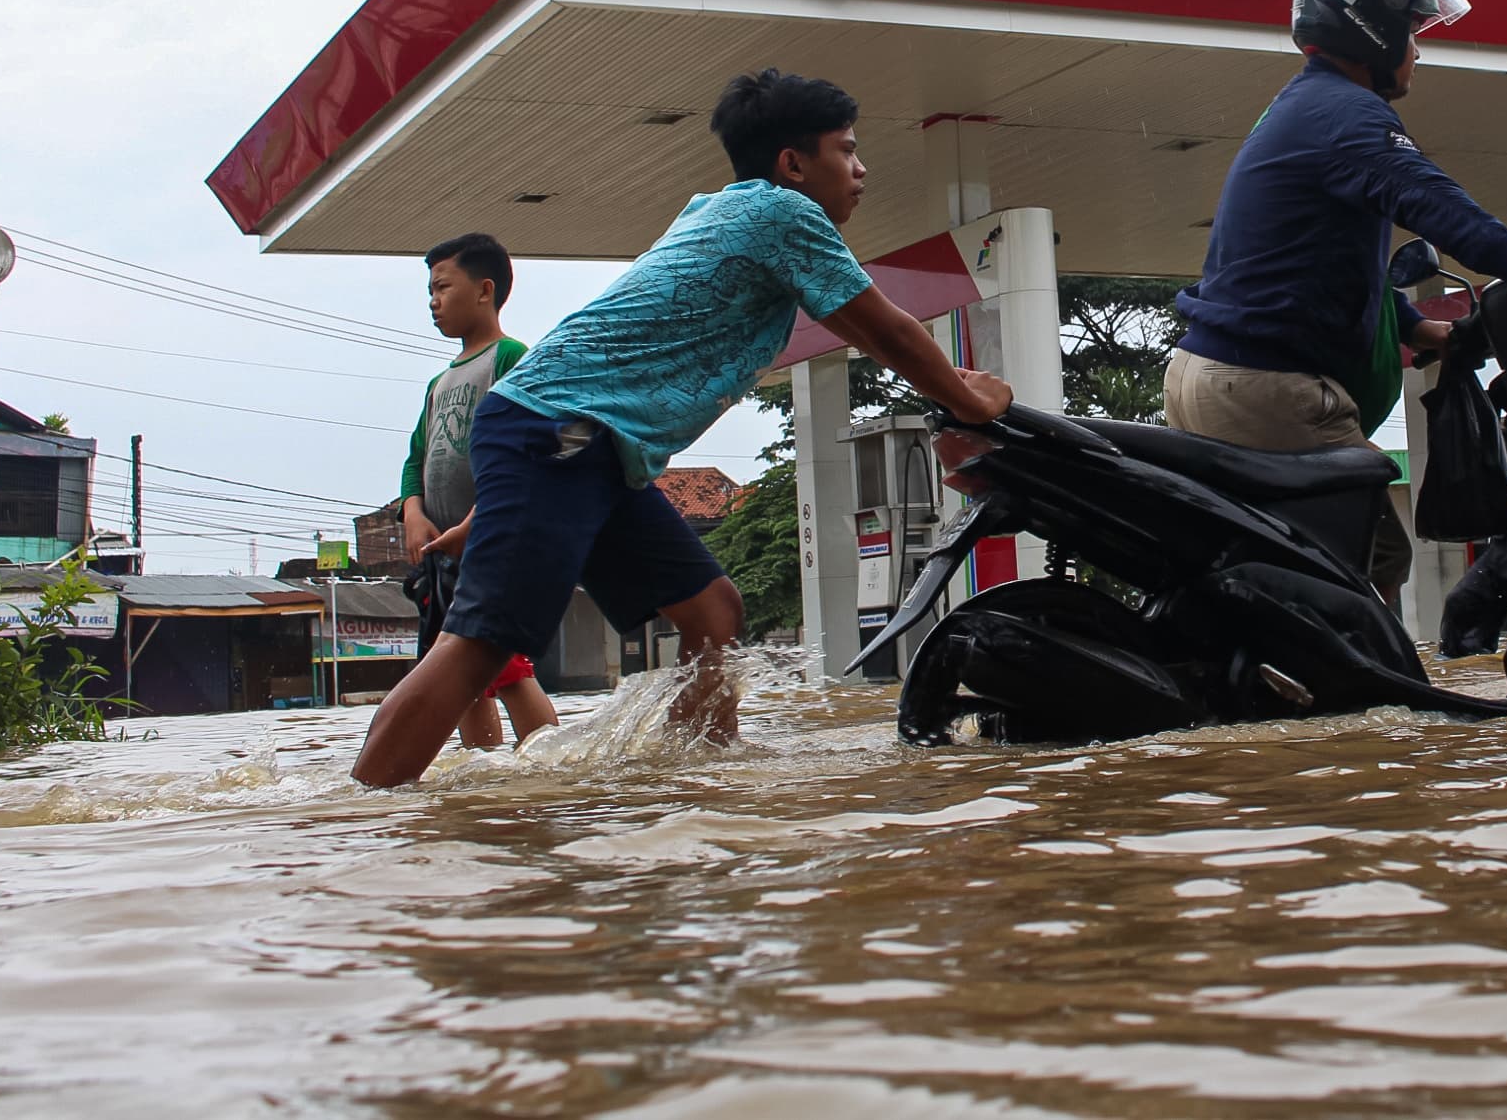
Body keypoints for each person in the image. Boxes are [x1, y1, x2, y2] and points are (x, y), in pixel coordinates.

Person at [352, 69, 1013, 787]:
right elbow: (884, 327)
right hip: (560, 432)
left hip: (595, 446)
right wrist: (975, 403)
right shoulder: (786, 215)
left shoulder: (719, 208)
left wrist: (951, 388)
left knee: (711, 608)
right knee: (484, 644)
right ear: (793, 163)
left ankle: (698, 770)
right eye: (846, 151)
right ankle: (358, 810)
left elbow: (862, 325)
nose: (861, 171)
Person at [1166, 0, 1507, 607]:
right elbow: (1432, 201)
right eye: (1411, 29)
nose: (1419, 49)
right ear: (1370, 30)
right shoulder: (1347, 115)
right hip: (1267, 389)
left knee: (1318, 561)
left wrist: (1420, 329)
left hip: (1221, 374)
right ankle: (1363, 707)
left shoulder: (1301, 108)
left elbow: (1308, 265)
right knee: (1359, 569)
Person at [397, 231, 556, 750]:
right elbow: (416, 458)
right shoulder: (438, 383)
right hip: (443, 556)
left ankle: (551, 767)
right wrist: (413, 512)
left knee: (504, 664)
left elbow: (528, 451)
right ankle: (484, 775)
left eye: (442, 287)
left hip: (490, 542)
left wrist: (476, 524)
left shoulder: (511, 358)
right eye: (430, 290)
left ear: (485, 290)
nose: (432, 301)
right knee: (459, 674)